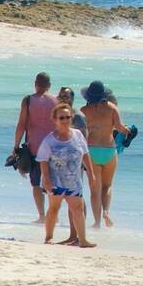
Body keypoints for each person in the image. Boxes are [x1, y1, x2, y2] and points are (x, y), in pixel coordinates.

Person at [38, 104, 96, 248]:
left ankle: (82, 240)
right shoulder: (49, 140)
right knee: (54, 208)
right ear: (55, 120)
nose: (65, 120)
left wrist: (91, 174)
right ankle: (49, 237)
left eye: (68, 117)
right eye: (61, 118)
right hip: (56, 181)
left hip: (74, 181)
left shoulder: (78, 135)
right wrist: (46, 179)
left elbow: (85, 154)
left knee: (78, 208)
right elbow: (43, 160)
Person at [81, 81, 128, 229]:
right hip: (109, 150)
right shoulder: (112, 108)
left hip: (92, 151)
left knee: (95, 190)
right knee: (107, 186)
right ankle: (106, 212)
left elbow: (80, 132)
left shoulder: (84, 110)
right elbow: (120, 128)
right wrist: (128, 130)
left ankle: (97, 222)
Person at [14, 72, 55, 223]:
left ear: (35, 84)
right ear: (49, 86)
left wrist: (16, 145)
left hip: (34, 147)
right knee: (51, 181)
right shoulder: (56, 100)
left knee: (36, 183)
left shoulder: (28, 100)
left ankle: (42, 216)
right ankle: (53, 215)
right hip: (53, 146)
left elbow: (21, 124)